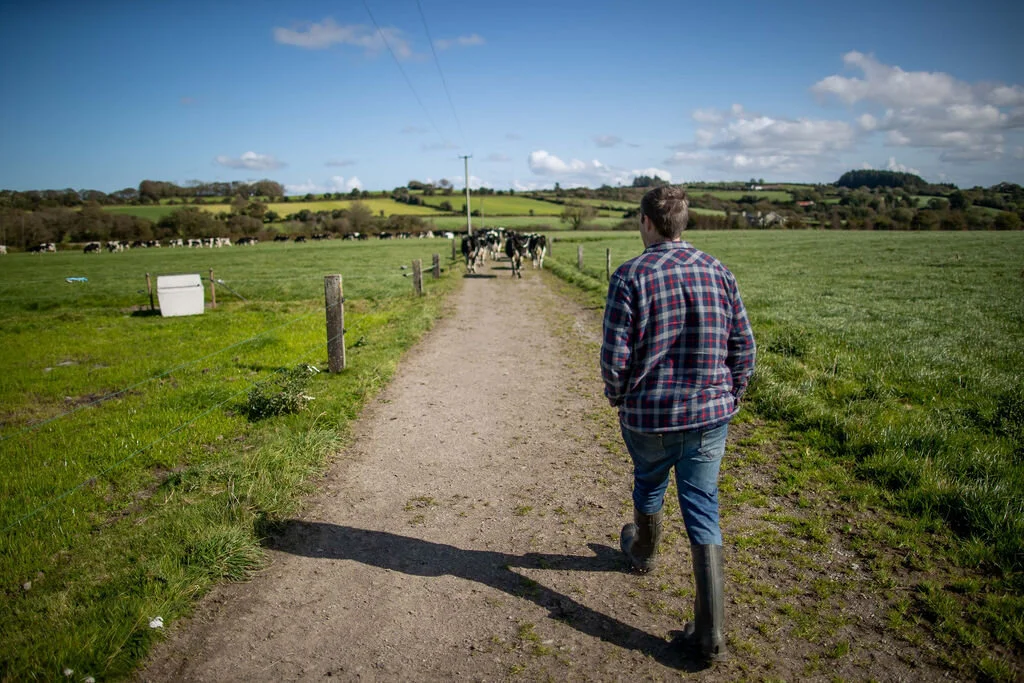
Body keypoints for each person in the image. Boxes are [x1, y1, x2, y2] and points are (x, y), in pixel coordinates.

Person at [600, 185, 756, 664]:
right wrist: (731, 395)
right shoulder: (718, 271)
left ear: (647, 222)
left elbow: (614, 359)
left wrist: (619, 398)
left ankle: (643, 550)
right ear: (683, 222)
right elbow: (744, 347)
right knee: (702, 505)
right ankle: (710, 634)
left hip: (648, 416)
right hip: (709, 416)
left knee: (648, 481)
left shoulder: (629, 276)